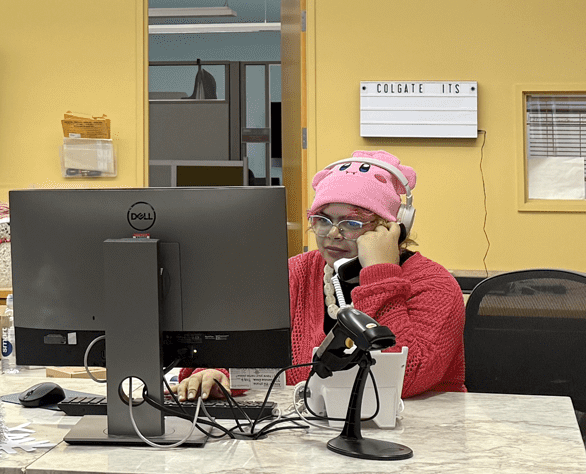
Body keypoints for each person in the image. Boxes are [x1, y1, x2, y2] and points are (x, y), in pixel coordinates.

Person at [176, 150, 465, 401]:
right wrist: (217, 372)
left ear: (393, 228)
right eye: (322, 220)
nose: (332, 235)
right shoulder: (296, 273)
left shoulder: (434, 285)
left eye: (351, 223)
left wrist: (380, 275)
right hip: (305, 429)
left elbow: (404, 379)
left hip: (418, 435)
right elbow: (245, 348)